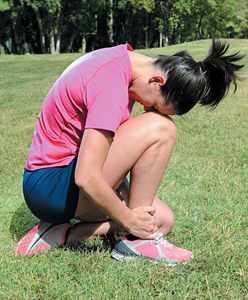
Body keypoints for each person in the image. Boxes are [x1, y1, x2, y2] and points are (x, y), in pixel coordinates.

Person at [14, 39, 243, 264]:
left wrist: (134, 215)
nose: (146, 109)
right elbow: (86, 176)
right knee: (162, 128)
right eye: (154, 106)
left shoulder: (121, 61)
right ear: (156, 80)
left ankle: (68, 233)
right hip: (51, 186)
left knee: (161, 220)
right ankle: (134, 240)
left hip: (58, 184)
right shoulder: (111, 85)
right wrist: (132, 223)